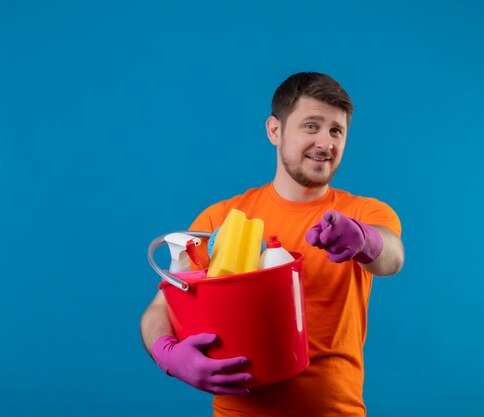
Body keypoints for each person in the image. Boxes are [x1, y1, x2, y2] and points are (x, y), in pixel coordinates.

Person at [140, 72, 405, 417]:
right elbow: (160, 308)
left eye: (336, 131)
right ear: (275, 131)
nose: (326, 143)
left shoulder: (364, 212)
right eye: (311, 126)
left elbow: (392, 257)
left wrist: (364, 239)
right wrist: (167, 354)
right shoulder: (222, 219)